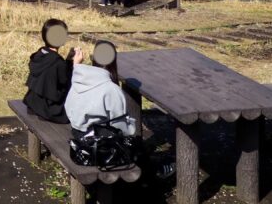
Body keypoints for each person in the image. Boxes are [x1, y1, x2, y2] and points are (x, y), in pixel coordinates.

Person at [65, 41, 175, 178]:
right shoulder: (112, 89)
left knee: (135, 144)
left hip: (78, 134)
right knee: (134, 144)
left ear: (94, 58)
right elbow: (122, 128)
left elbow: (68, 106)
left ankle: (150, 169)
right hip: (97, 145)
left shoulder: (79, 79)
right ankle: (153, 173)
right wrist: (131, 126)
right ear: (113, 61)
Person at [23, 19, 76, 123]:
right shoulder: (57, 62)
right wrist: (76, 65)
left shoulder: (40, 54)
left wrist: (69, 60)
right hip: (49, 110)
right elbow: (67, 84)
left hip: (33, 103)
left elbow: (55, 73)